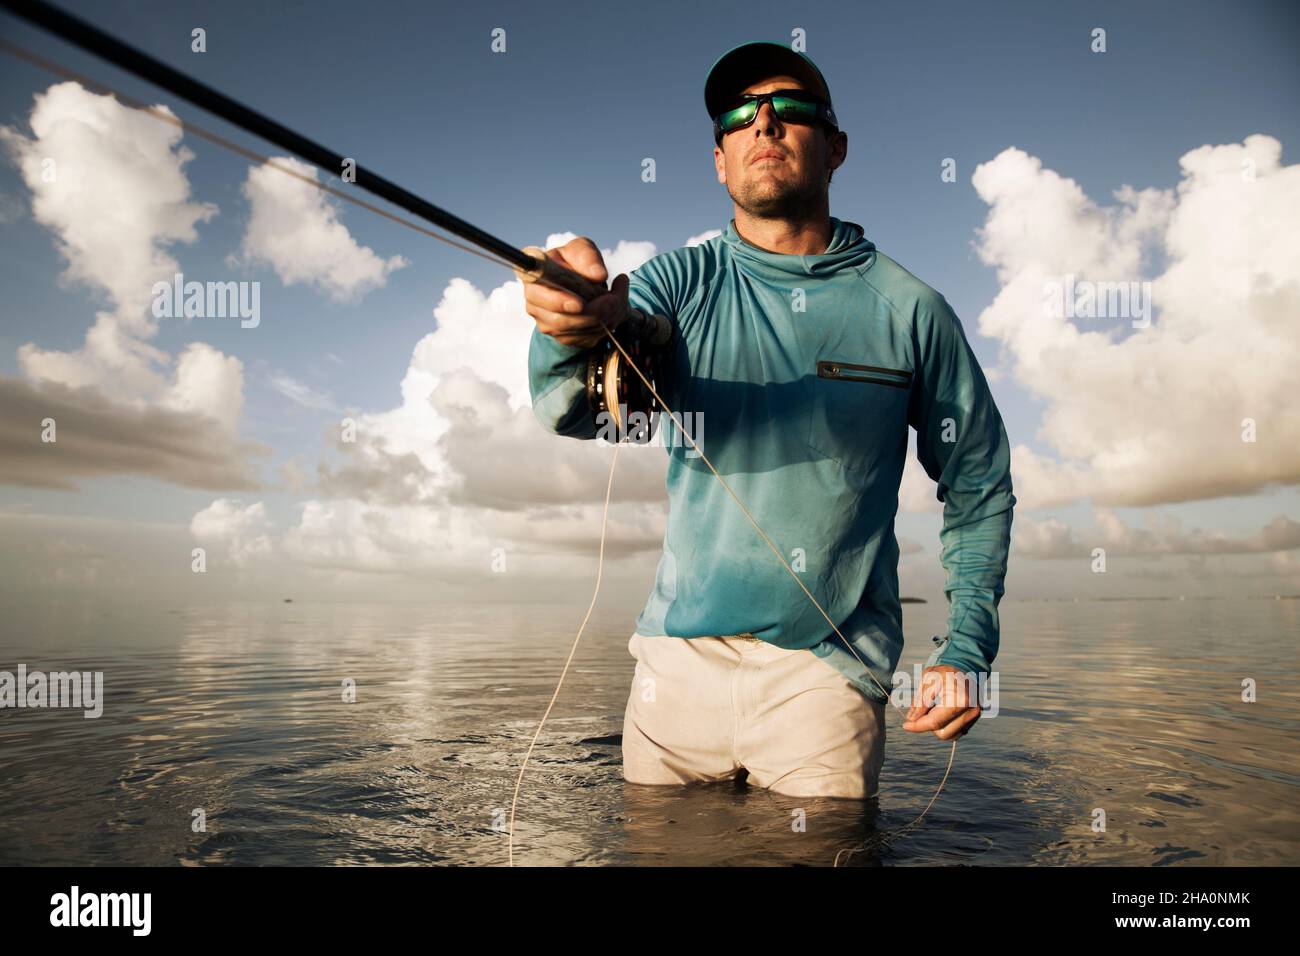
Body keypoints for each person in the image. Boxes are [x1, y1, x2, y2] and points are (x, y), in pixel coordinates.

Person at [522, 41, 1015, 800]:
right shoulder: (677, 282)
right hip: (676, 662)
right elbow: (578, 415)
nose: (764, 126)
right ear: (719, 159)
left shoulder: (913, 310)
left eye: (789, 109)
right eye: (738, 117)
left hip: (828, 672)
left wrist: (969, 647)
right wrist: (568, 328)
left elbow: (978, 483)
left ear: (836, 146)